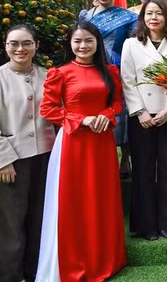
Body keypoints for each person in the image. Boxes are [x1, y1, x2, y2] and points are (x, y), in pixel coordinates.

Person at [37, 21, 126, 281]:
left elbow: (117, 103)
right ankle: (75, 261)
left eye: (88, 40)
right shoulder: (60, 72)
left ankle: (105, 258)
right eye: (77, 41)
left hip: (102, 143)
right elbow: (48, 109)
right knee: (75, 201)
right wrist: (81, 119)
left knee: (102, 199)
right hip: (73, 144)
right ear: (70, 44)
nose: (83, 46)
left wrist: (106, 114)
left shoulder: (109, 71)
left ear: (97, 42)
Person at [121, 0, 167, 240]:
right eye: (149, 13)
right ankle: (146, 225)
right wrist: (140, 112)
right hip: (142, 115)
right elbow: (127, 81)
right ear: (143, 17)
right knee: (144, 169)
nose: (154, 18)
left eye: (159, 13)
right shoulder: (131, 44)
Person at [0, 25, 56, 282]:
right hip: (13, 160)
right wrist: (3, 161)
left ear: (36, 46)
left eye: (26, 43)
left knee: (39, 217)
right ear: (6, 46)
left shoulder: (48, 75)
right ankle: (11, 275)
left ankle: (35, 273)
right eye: (14, 43)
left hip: (46, 155)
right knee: (12, 222)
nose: (20, 49)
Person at [79, 0, 138, 177]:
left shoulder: (128, 17)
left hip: (117, 68)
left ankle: (125, 159)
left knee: (120, 110)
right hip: (90, 67)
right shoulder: (85, 17)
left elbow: (135, 44)